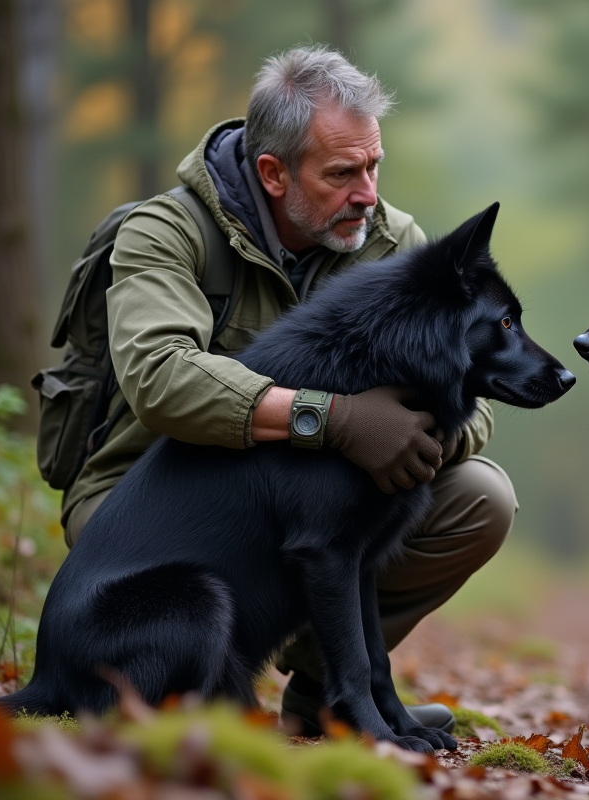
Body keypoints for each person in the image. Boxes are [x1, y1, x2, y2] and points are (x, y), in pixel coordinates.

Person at [59, 44, 517, 734]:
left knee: (480, 497)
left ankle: (330, 695)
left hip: (305, 502)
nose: (367, 193)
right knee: (280, 551)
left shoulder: (393, 243)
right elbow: (161, 378)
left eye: (373, 166)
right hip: (155, 514)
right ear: (273, 173)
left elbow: (466, 386)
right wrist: (329, 420)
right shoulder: (165, 232)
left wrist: (426, 434)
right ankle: (196, 702)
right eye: (342, 173)